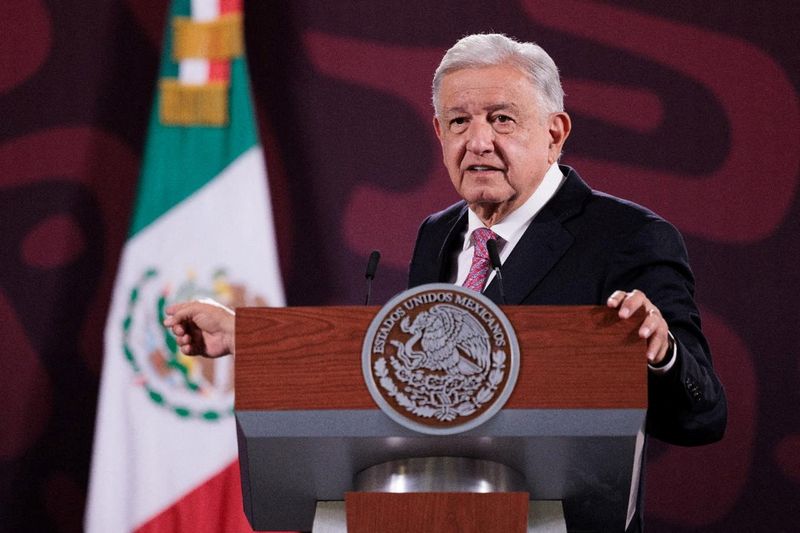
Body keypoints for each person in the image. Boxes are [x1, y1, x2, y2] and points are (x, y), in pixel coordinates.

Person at [165, 33, 726, 532]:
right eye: (459, 122)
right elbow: (401, 377)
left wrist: (661, 353)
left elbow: (704, 416)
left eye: (501, 119)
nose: (477, 141)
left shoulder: (630, 236)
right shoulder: (438, 236)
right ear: (438, 131)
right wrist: (249, 337)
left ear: (555, 133)